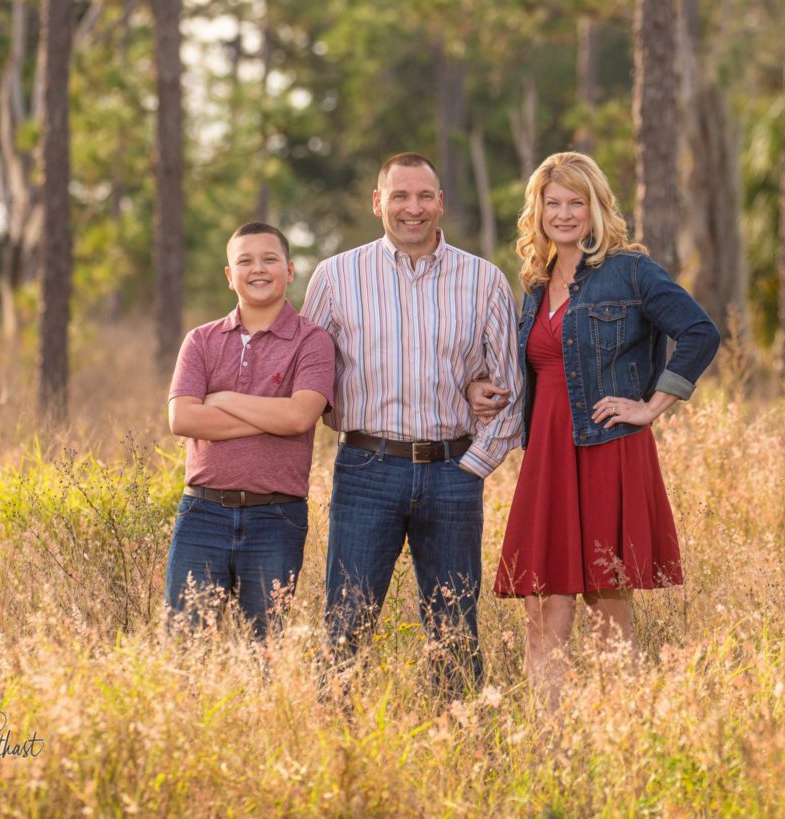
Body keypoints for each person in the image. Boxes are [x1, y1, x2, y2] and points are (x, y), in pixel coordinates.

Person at [472, 151, 719, 704]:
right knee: (542, 600)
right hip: (548, 455)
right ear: (536, 212)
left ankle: (619, 737)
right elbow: (545, 368)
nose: (563, 214)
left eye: (574, 203)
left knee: (606, 597)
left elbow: (700, 332)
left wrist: (651, 406)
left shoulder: (631, 270)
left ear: (596, 207)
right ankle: (550, 741)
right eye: (551, 203)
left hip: (607, 446)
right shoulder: (535, 283)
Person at [301, 152, 522, 693]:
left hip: (453, 470)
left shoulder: (483, 280)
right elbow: (309, 374)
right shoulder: (335, 277)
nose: (412, 208)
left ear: (440, 203)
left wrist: (473, 467)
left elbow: (511, 388)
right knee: (347, 621)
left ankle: (460, 745)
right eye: (399, 195)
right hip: (366, 468)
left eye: (424, 196)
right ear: (378, 203)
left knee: (454, 627)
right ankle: (337, 749)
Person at [166, 222, 335, 639]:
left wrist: (221, 399)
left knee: (264, 649)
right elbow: (183, 419)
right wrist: (270, 417)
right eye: (245, 261)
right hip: (202, 514)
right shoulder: (201, 340)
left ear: (290, 271)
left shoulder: (313, 341)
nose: (258, 269)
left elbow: (300, 418)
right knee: (185, 647)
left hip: (276, 516)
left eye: (269, 259)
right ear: (229, 275)